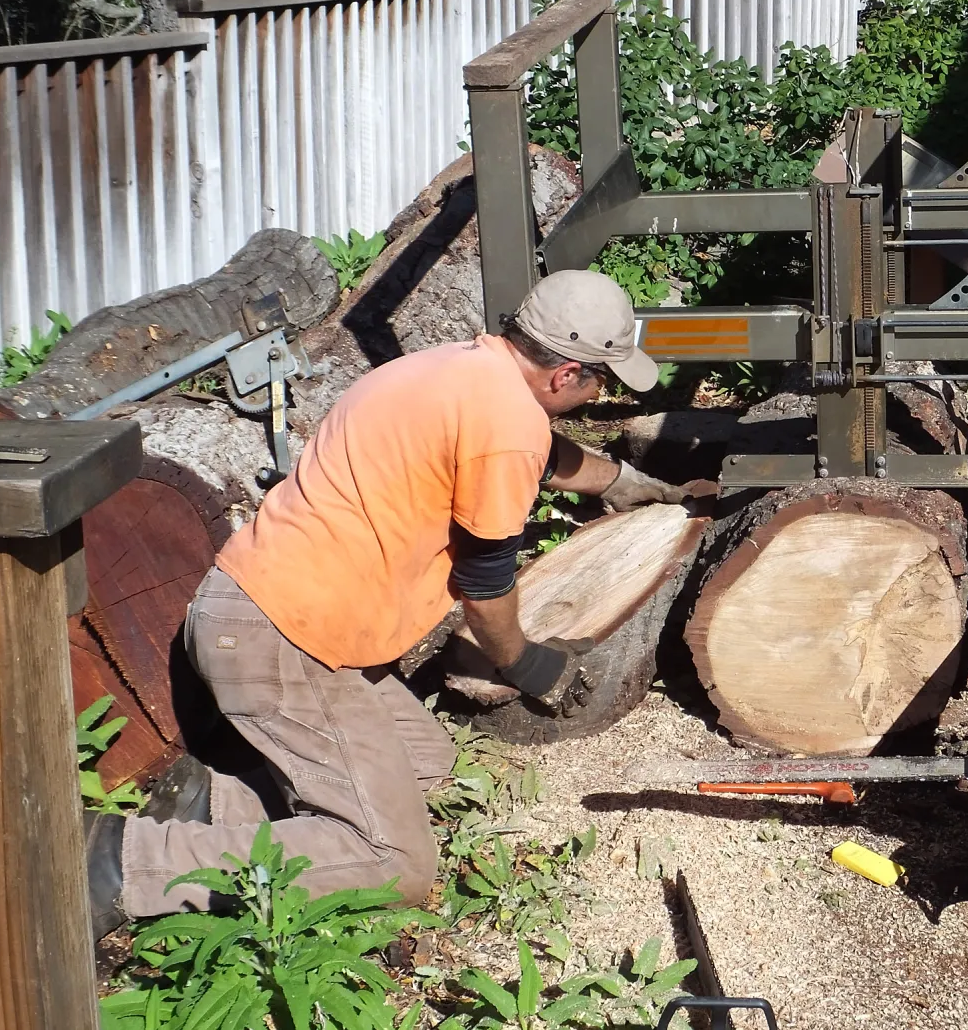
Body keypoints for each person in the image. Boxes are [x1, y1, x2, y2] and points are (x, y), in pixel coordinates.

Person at [84, 269, 687, 939]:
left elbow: (537, 455)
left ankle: (214, 807)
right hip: (284, 641)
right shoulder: (507, 423)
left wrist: (625, 482)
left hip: (273, 616)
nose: (600, 392)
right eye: (601, 378)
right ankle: (122, 864)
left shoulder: (453, 370)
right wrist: (528, 666)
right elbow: (486, 594)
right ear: (565, 373)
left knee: (423, 764)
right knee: (396, 863)